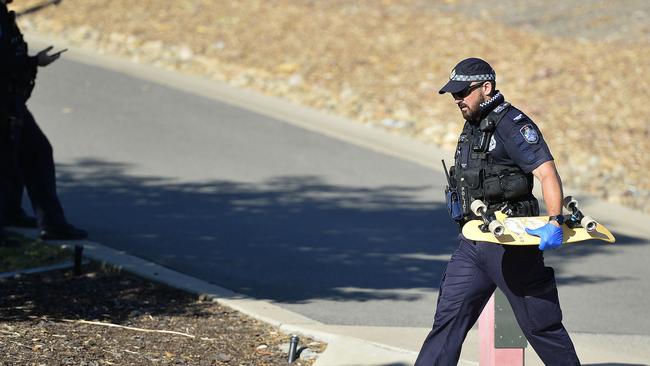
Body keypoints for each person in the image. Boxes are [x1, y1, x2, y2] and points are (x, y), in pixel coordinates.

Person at [415, 58, 580, 365]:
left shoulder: (512, 125)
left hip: (511, 244)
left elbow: (547, 173)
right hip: (474, 239)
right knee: (447, 322)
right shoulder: (474, 125)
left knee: (540, 325)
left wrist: (555, 221)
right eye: (454, 93)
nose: (457, 99)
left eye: (463, 91)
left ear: (486, 88)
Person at [0, 0, 86, 240]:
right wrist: (33, 62)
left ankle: (44, 222)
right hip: (4, 104)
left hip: (11, 100)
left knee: (34, 153)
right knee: (10, 161)